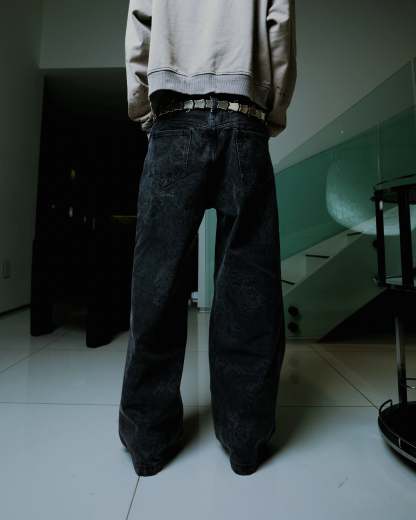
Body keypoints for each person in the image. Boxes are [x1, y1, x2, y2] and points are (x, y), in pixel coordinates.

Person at [119, 0, 297, 476]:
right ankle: (245, 441)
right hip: (245, 120)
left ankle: (148, 443)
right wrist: (272, 112)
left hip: (174, 117)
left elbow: (140, 27)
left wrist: (143, 107)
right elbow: (279, 30)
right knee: (250, 290)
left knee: (156, 287)